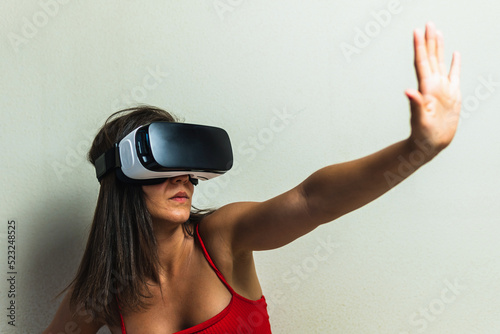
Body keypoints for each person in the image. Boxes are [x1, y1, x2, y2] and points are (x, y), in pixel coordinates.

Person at [43, 22, 461, 334]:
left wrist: (417, 149)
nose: (184, 179)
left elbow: (312, 200)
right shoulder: (102, 290)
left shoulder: (222, 237)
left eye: (188, 169)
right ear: (122, 174)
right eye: (163, 166)